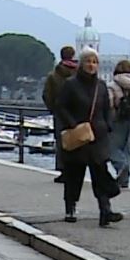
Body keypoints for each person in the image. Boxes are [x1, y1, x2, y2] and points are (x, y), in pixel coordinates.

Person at [50, 48, 122, 226]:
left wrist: (107, 125)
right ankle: (70, 207)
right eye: (88, 61)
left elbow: (107, 108)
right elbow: (61, 106)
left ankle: (105, 211)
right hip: (79, 135)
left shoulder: (101, 86)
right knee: (74, 173)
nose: (91, 65)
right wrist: (73, 124)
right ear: (81, 64)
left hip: (97, 136)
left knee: (100, 174)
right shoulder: (70, 84)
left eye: (95, 62)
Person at [43, 45, 78, 183]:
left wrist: (53, 108)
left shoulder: (53, 75)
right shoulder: (79, 73)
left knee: (61, 142)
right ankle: (76, 170)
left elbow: (47, 95)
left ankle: (64, 170)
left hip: (60, 114)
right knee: (77, 141)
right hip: (77, 113)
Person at [106, 59, 130, 189]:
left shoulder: (112, 85)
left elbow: (108, 102)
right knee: (128, 148)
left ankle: (122, 167)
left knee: (112, 148)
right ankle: (124, 178)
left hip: (115, 119)